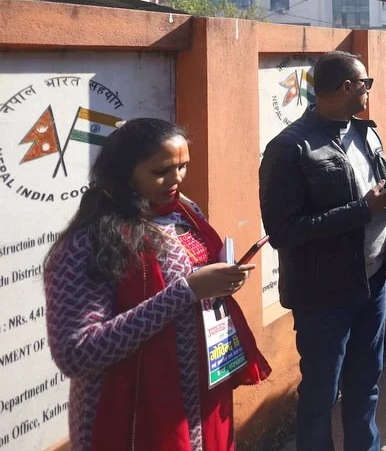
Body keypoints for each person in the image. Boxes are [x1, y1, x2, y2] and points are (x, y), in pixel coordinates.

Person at [46, 119, 270, 451]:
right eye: (161, 171)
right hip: (133, 416)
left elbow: (193, 285)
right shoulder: (87, 244)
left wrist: (219, 282)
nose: (177, 178)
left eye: (183, 166)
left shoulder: (184, 211)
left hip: (199, 399)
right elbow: (76, 354)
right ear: (125, 173)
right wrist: (188, 291)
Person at [260, 51, 386, 450]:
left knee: (366, 386)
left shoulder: (365, 132)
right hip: (323, 295)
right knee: (320, 397)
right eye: (366, 83)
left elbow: (377, 182)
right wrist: (364, 209)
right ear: (347, 86)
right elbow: (283, 231)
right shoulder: (289, 148)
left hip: (372, 281)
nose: (368, 91)